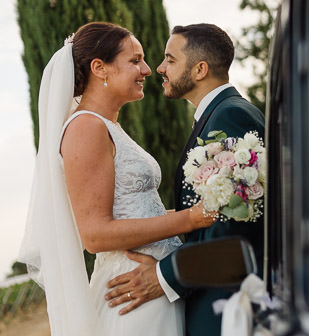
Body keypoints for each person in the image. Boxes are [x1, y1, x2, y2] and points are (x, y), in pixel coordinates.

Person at [17, 22, 216, 335]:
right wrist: (190, 219)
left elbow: (137, 210)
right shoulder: (86, 128)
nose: (148, 70)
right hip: (132, 299)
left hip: (151, 287)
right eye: (135, 60)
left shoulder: (107, 126)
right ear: (100, 68)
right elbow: (95, 235)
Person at [104, 23, 265, 336]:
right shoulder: (218, 115)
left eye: (170, 60)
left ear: (200, 69)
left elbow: (232, 227)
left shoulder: (230, 117)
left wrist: (166, 275)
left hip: (225, 307)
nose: (160, 68)